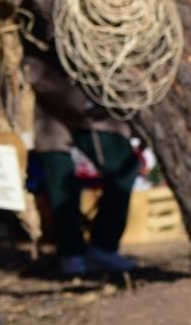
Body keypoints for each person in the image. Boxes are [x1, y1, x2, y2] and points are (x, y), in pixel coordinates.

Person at [24, 48, 141, 278]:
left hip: (91, 109)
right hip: (51, 113)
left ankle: (102, 245)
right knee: (59, 184)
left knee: (124, 168)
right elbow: (31, 68)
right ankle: (71, 252)